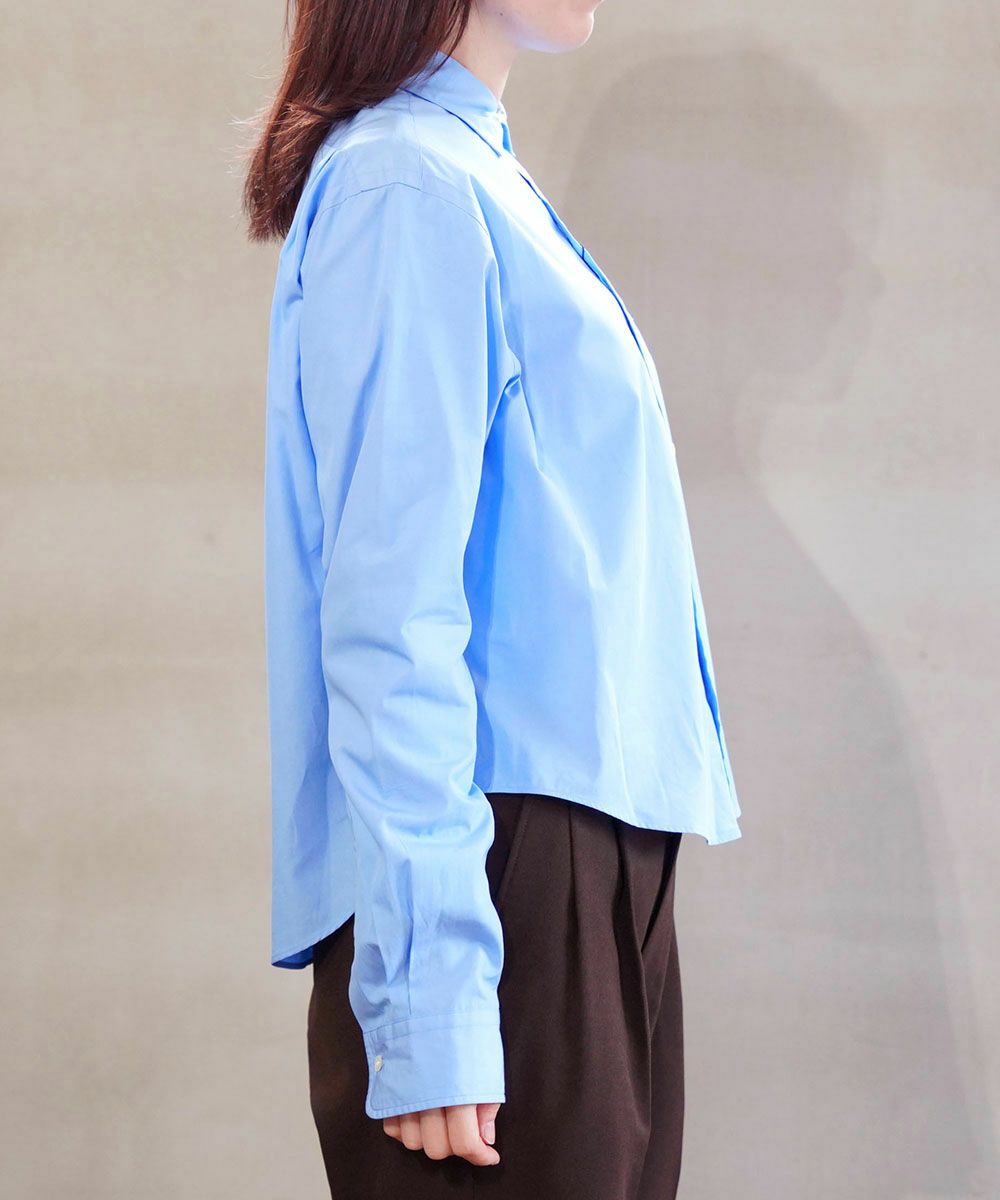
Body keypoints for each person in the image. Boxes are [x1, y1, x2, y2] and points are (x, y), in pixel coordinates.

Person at [243, 2, 742, 1195]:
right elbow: (390, 611)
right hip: (501, 868)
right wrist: (431, 997)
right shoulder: (406, 183)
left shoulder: (465, 176)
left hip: (574, 864)